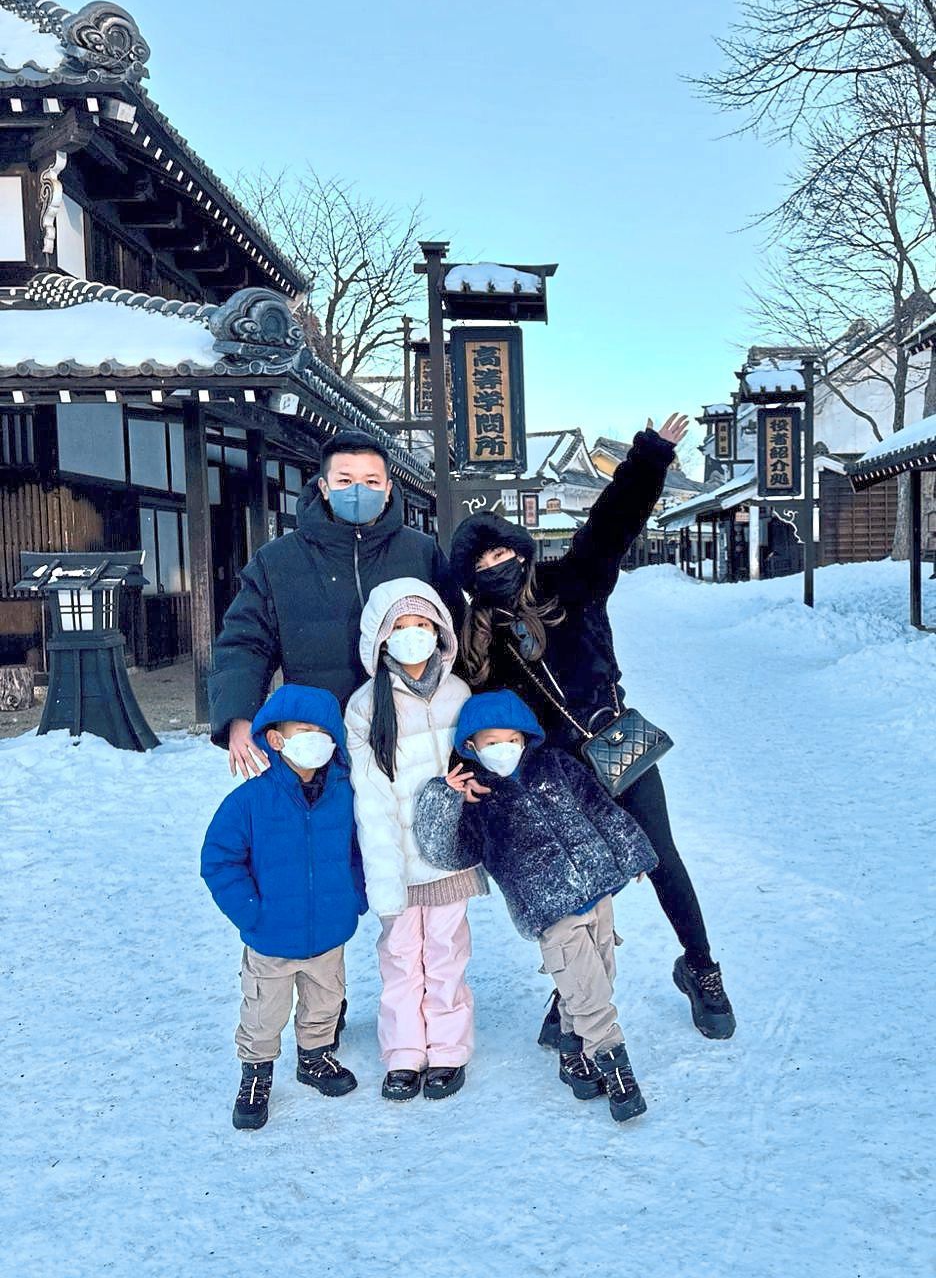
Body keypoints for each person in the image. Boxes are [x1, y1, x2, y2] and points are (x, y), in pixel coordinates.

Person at [448, 416, 736, 1043]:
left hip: (615, 739)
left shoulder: (570, 582)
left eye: (502, 550)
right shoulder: (477, 642)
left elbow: (614, 520)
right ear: (469, 579)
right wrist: (468, 770)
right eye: (482, 561)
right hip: (554, 770)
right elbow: (474, 721)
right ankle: (570, 997)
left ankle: (702, 968)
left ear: (521, 548)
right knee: (578, 885)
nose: (496, 564)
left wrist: (651, 456)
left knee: (661, 857)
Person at [415, 690, 659, 1125]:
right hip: (549, 911)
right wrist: (444, 797)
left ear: (526, 738)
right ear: (470, 747)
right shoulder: (481, 801)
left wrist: (632, 850)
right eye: (491, 743)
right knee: (589, 991)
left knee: (599, 974)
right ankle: (615, 1066)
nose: (503, 749)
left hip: (598, 888)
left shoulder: (558, 768)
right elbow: (445, 852)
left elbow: (600, 809)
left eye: (511, 739)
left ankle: (572, 1049)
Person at [208, 429, 463, 779]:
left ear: (389, 489)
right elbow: (244, 642)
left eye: (372, 481)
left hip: (409, 736)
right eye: (345, 479)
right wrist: (238, 715)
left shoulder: (420, 552)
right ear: (324, 488)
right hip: (318, 735)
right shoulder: (278, 561)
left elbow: (455, 637)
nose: (358, 490)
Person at [344, 579, 488, 1103]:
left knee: (446, 953)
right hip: (399, 858)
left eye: (421, 626)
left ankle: (448, 1049)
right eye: (400, 628)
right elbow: (369, 796)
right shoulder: (365, 705)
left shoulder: (459, 693)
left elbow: (474, 765)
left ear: (439, 632)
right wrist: (386, 872)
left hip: (447, 853)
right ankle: (404, 1052)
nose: (411, 637)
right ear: (381, 638)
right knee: (402, 956)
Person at [200, 683, 366, 1131]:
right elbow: (218, 860)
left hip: (329, 933)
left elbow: (359, 851)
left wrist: (355, 896)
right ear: (276, 738)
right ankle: (256, 1074)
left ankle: (314, 1057)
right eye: (306, 729)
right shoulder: (250, 801)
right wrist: (251, 912)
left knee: (325, 1003)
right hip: (271, 938)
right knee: (262, 1012)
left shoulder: (345, 796)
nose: (318, 739)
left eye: (326, 732)